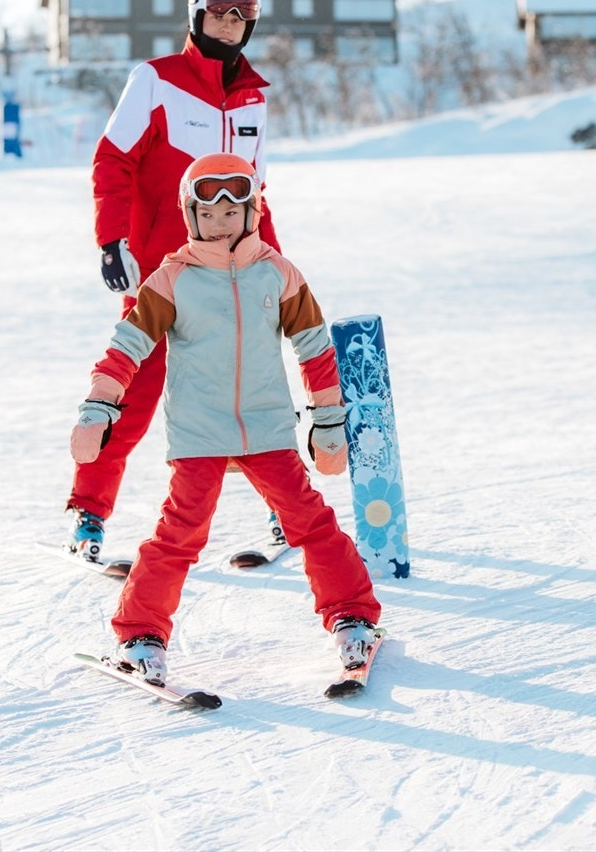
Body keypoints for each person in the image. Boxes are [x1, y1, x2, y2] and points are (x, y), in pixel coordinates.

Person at [70, 154, 381, 683]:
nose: (219, 223)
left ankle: (352, 616)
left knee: (309, 521)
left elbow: (314, 349)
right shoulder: (172, 279)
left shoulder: (278, 274)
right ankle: (141, 633)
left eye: (231, 212)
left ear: (252, 212)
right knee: (180, 532)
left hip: (266, 426)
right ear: (190, 215)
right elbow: (128, 345)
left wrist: (328, 417)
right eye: (207, 213)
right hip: (200, 431)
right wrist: (101, 403)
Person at [67, 0, 288, 565]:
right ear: (196, 16)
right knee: (133, 390)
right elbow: (112, 161)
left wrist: (275, 262)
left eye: (242, 16)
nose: (230, 24)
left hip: (233, 275)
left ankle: (284, 513)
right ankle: (88, 515)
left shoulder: (253, 99)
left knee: (246, 391)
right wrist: (112, 240)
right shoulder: (156, 80)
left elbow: (255, 191)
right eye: (219, 13)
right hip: (161, 272)